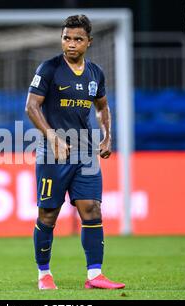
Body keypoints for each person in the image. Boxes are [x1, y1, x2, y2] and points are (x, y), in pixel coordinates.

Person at [25, 15, 125, 290]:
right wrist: (52, 136)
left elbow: (102, 107)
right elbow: (31, 107)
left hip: (85, 152)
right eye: (66, 38)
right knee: (48, 214)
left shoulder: (96, 74)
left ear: (88, 42)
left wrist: (107, 136)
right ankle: (44, 274)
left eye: (77, 39)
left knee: (92, 209)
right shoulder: (49, 69)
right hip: (53, 153)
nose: (71, 44)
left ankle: (95, 276)